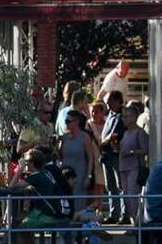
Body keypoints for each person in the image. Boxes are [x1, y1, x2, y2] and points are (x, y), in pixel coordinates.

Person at [58, 109, 100, 208]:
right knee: (66, 201)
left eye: (69, 121)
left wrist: (88, 176)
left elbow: (90, 158)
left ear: (76, 122)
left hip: (80, 174)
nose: (66, 123)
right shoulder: (64, 137)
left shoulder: (85, 137)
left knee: (78, 202)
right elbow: (60, 156)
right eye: (66, 121)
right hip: (66, 174)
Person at [117, 102, 150, 224]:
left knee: (133, 197)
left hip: (134, 167)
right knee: (126, 197)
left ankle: (138, 223)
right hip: (123, 167)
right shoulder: (125, 133)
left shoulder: (140, 133)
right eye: (123, 116)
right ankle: (133, 222)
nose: (123, 119)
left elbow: (145, 150)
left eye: (126, 116)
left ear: (134, 117)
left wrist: (131, 152)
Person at [99, 93, 126, 222]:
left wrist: (102, 143)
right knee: (110, 186)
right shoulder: (110, 114)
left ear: (117, 101)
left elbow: (114, 136)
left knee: (120, 185)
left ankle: (124, 214)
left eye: (110, 101)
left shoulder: (121, 116)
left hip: (115, 155)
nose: (107, 104)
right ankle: (113, 214)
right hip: (106, 155)